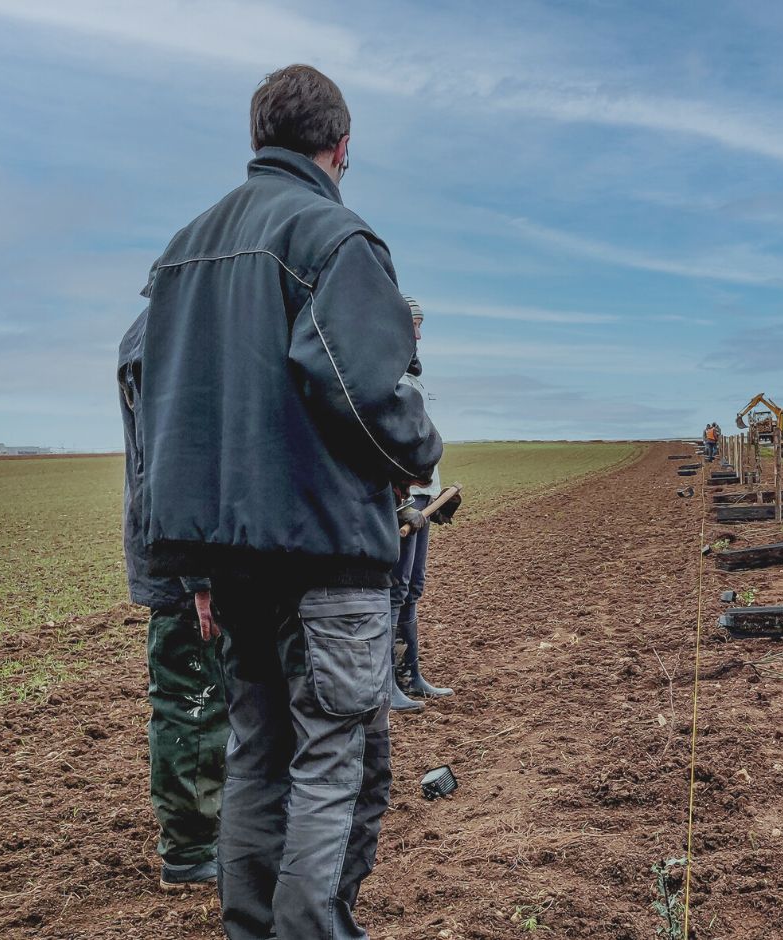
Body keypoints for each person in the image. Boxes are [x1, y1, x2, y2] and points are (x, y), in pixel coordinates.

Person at [131, 64, 441, 939]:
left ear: (259, 141)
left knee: (258, 757)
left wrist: (188, 563)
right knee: (335, 762)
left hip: (230, 569)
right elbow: (360, 392)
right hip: (326, 556)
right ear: (341, 148)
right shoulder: (334, 239)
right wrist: (420, 453)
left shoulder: (181, 252)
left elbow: (159, 419)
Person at [118, 313, 228, 891]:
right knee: (195, 701)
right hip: (185, 567)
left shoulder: (161, 330)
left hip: (187, 557)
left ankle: (211, 828)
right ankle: (189, 847)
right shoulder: (165, 336)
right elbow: (172, 459)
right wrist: (199, 574)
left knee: (211, 698)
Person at [389, 296, 453, 712]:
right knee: (394, 591)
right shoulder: (385, 369)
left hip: (423, 495)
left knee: (412, 588)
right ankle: (386, 683)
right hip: (403, 498)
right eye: (414, 323)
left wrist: (438, 494)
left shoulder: (413, 374)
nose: (418, 332)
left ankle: (411, 674)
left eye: (420, 324)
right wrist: (400, 501)